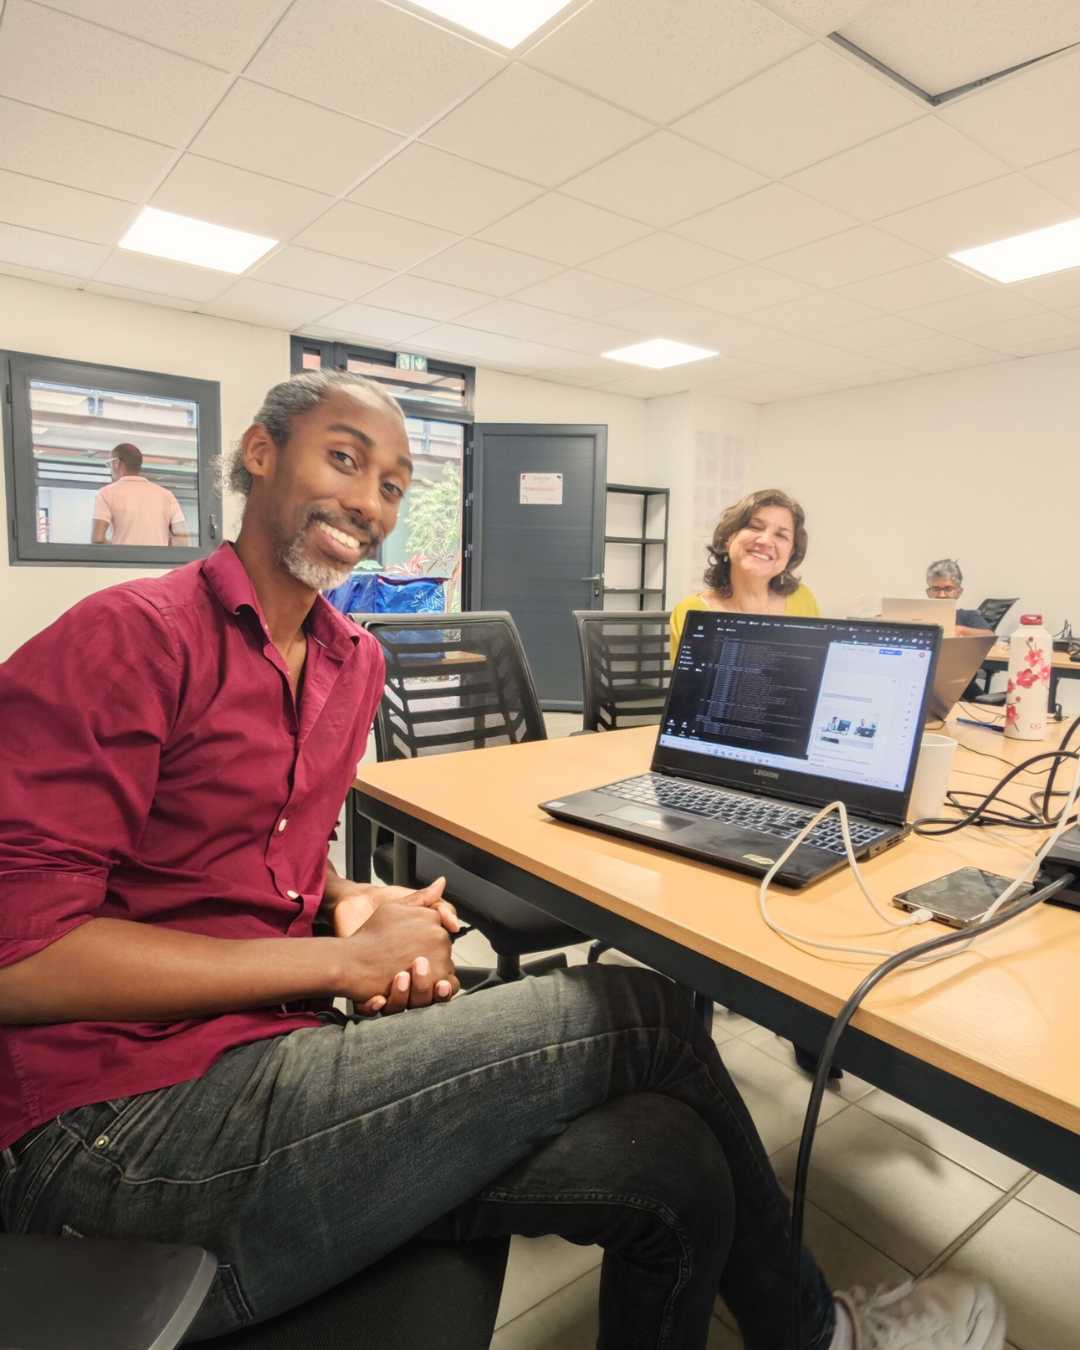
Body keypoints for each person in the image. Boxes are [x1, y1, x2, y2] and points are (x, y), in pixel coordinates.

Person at [0, 372, 1003, 1350]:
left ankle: (805, 1328)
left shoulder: (351, 660)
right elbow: (21, 960)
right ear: (259, 454)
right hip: (114, 1137)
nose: (369, 500)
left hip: (266, 1049)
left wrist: (344, 903)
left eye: (393, 483)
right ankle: (822, 1331)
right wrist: (336, 963)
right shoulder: (131, 637)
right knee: (645, 1008)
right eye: (343, 459)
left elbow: (233, 855)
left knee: (672, 1159)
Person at [671, 488, 821, 658]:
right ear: (729, 538)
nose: (765, 540)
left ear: (791, 552)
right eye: (755, 527)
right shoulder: (692, 610)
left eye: (781, 535)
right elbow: (688, 684)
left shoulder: (803, 599)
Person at [91, 441, 188, 546]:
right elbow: (182, 540)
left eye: (109, 463)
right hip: (159, 561)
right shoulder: (167, 495)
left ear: (117, 463)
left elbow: (97, 539)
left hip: (123, 561)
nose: (109, 468)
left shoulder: (106, 493)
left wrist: (118, 548)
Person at [925, 559, 993, 636]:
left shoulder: (968, 616)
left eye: (948, 589)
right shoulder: (919, 617)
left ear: (959, 592)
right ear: (928, 592)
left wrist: (961, 630)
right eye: (936, 589)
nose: (941, 595)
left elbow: (990, 635)